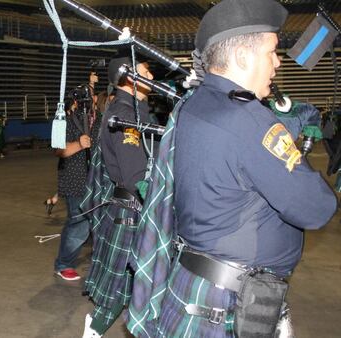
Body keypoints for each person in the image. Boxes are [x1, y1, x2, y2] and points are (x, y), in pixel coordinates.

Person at [153, 1, 337, 337]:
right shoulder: (250, 120)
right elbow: (316, 208)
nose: (277, 63)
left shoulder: (194, 105)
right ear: (241, 57)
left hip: (196, 282)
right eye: (271, 52)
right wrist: (288, 145)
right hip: (231, 302)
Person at [82, 54, 156, 338]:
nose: (151, 77)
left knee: (127, 285)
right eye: (145, 72)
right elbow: (136, 175)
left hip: (130, 208)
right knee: (125, 286)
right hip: (134, 208)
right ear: (128, 78)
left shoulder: (134, 110)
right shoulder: (125, 114)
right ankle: (93, 330)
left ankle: (94, 329)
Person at [53, 89, 99, 281]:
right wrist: (79, 144)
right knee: (78, 223)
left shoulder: (94, 119)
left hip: (95, 176)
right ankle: (64, 264)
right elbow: (58, 150)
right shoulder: (61, 119)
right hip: (74, 178)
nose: (91, 102)